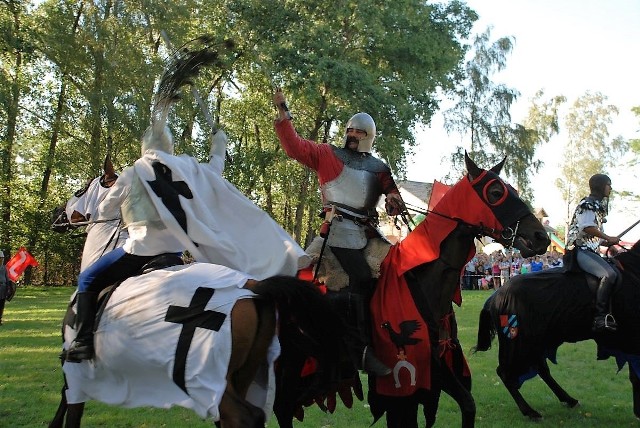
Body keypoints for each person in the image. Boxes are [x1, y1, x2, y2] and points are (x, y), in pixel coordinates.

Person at [273, 89, 405, 376]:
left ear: (368, 136)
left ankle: (394, 336)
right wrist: (284, 113)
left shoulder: (379, 168)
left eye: (358, 132)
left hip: (370, 234)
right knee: (360, 277)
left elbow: (394, 200)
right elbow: (295, 146)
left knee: (399, 272)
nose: (351, 135)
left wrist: (394, 202)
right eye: (349, 130)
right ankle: (359, 350)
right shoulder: (326, 154)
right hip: (338, 231)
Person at [65, 127, 226, 362]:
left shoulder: (133, 172)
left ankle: (83, 341)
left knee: (87, 279)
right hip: (175, 251)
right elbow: (214, 171)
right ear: (169, 147)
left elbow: (104, 209)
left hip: (140, 251)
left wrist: (125, 209)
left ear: (145, 146)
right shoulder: (186, 169)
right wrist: (218, 144)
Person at [566, 173, 620, 332]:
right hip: (578, 250)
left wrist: (608, 242)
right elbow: (587, 228)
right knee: (609, 274)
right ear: (601, 186)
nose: (610, 188)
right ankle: (600, 318)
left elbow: (592, 236)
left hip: (589, 249)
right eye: (608, 184)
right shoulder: (588, 204)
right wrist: (607, 237)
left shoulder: (596, 206)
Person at [0, 250, 15, 325]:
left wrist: (9, 286)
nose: (1, 260)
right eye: (0, 258)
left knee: (1, 305)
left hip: (3, 288)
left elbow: (7, 278)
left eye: (2, 258)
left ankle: (0, 319)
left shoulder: (4, 268)